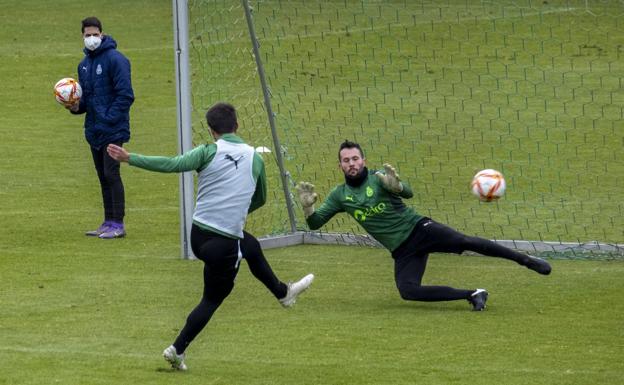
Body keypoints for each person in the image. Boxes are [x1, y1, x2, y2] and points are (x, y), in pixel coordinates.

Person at [107, 102, 314, 371]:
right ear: (237, 125)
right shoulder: (256, 158)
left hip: (198, 236)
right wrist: (238, 208)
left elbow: (172, 164)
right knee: (213, 298)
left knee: (249, 245)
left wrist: (129, 157)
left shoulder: (207, 151)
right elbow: (260, 198)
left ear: (211, 130)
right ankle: (176, 349)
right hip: (224, 244)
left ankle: (282, 292)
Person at [295, 140, 551, 312]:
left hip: (420, 229)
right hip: (402, 251)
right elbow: (315, 223)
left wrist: (398, 186)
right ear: (339, 165)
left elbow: (408, 193)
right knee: (408, 291)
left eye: (355, 158)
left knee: (465, 242)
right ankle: (473, 294)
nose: (351, 164)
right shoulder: (339, 195)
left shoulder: (379, 178)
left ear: (364, 160)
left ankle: (525, 260)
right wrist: (308, 207)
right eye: (346, 160)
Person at [66, 16, 134, 239]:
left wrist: (107, 118)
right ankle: (108, 221)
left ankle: (118, 224)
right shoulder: (83, 65)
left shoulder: (116, 59)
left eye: (96, 34)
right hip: (94, 131)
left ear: (102, 34)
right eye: (88, 35)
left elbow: (126, 95)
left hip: (113, 129)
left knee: (111, 173)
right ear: (82, 36)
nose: (92, 38)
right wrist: (75, 106)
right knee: (102, 176)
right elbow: (87, 100)